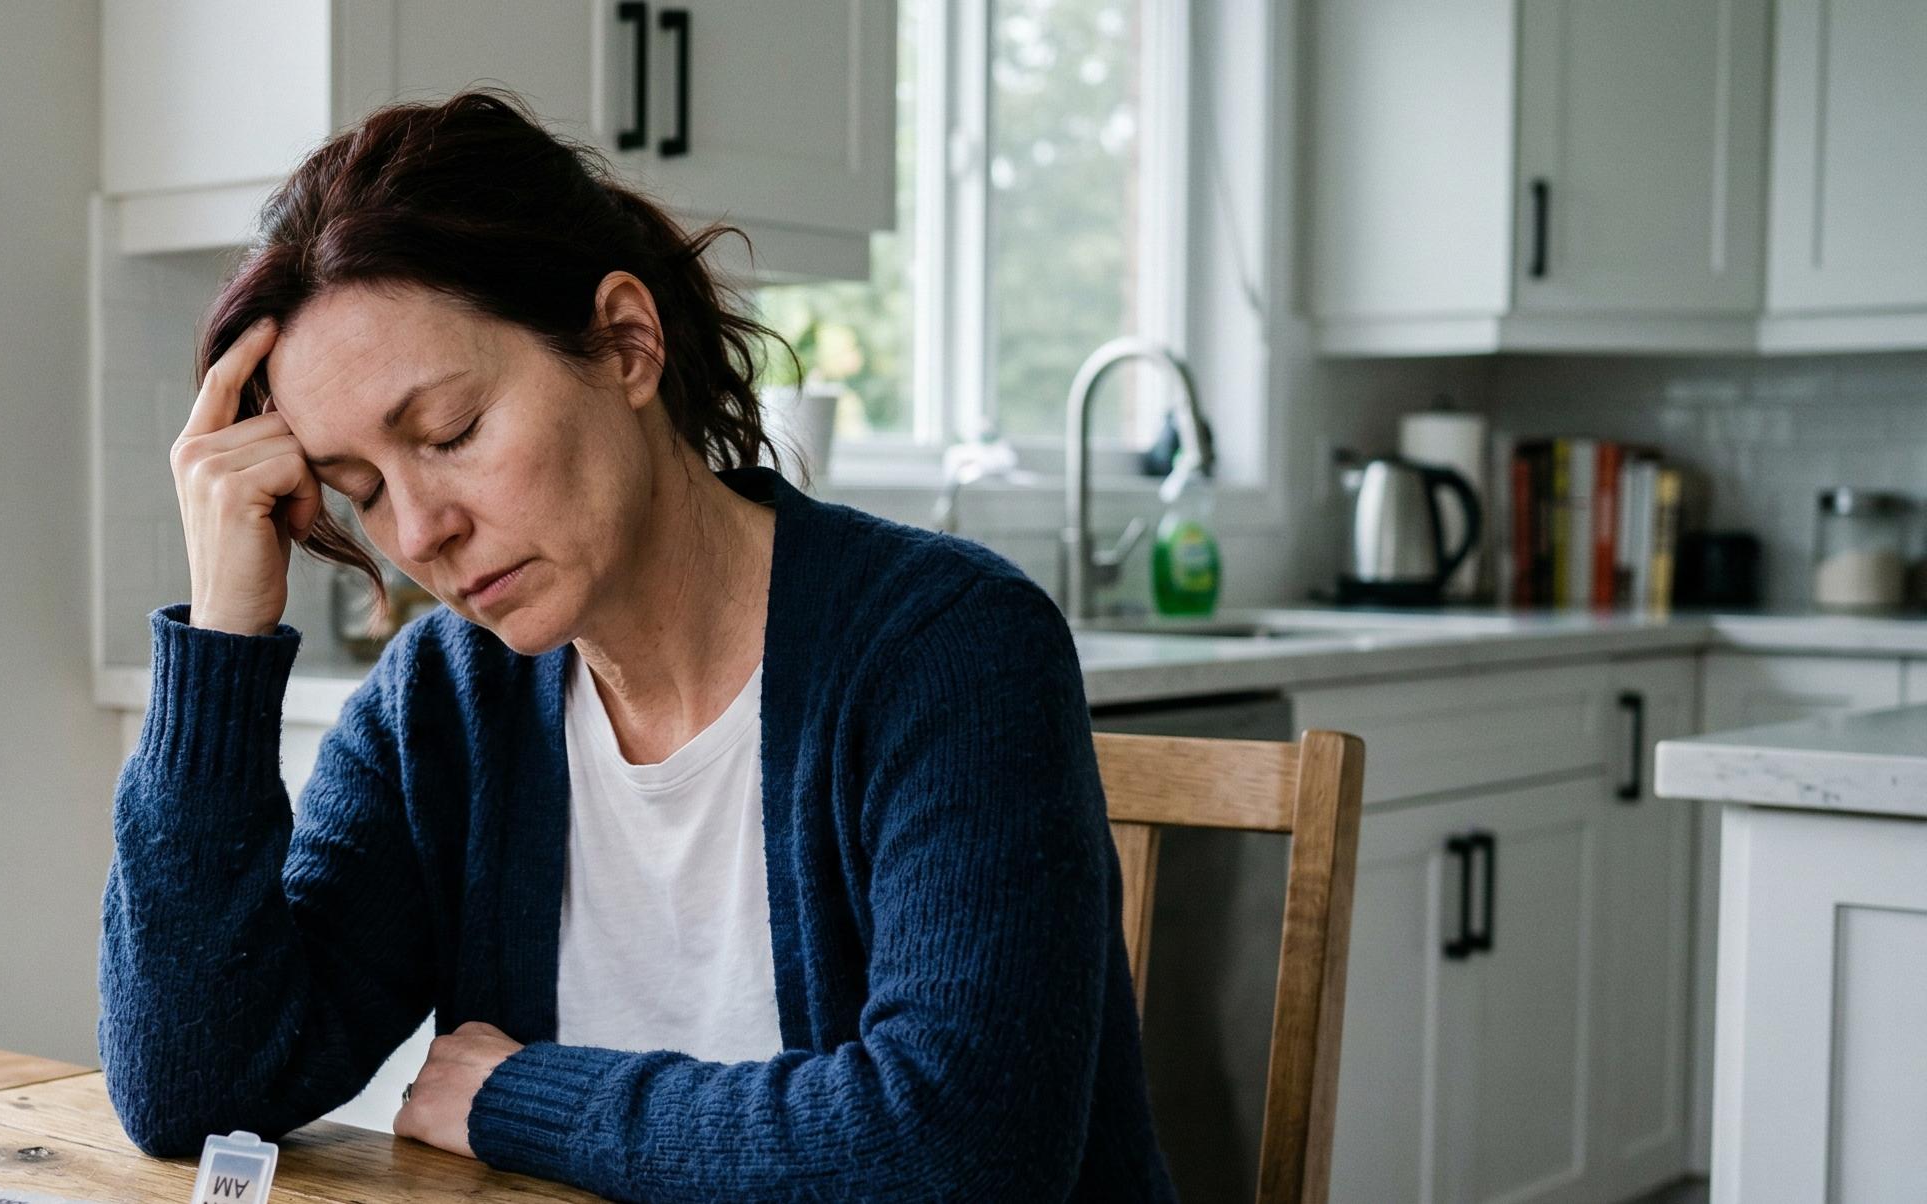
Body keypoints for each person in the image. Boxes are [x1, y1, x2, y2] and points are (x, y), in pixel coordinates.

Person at [99, 90, 1175, 1202]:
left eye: (451, 434)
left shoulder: (945, 649)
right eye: (359, 488)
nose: (418, 533)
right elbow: (195, 1086)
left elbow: (956, 1153)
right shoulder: (445, 708)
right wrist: (224, 634)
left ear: (624, 342)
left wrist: (520, 1098)